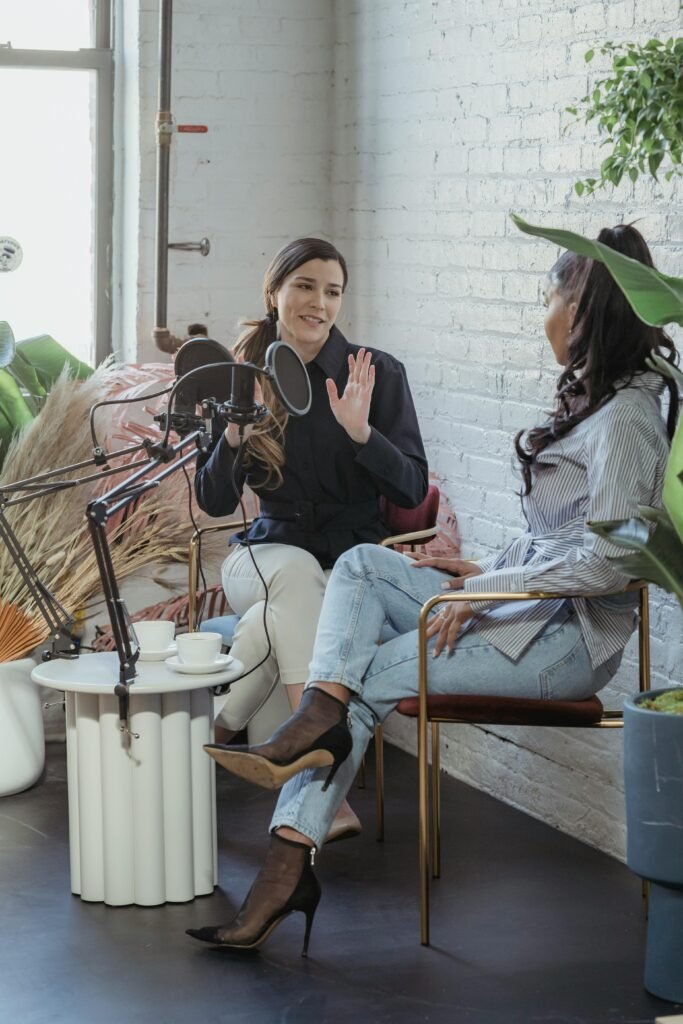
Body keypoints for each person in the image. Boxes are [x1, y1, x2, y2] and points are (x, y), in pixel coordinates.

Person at [186, 224, 680, 955]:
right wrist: (486, 575)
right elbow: (560, 532)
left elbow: (610, 563)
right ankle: (306, 743)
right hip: (522, 609)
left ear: (580, 307)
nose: (539, 311)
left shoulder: (629, 415)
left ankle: (284, 866)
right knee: (358, 566)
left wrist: (488, 596)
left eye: (546, 296)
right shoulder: (601, 400)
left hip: (561, 641)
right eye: (305, 288)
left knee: (361, 681)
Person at [193, 237, 428, 844]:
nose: (319, 304)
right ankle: (322, 753)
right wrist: (236, 435)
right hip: (262, 556)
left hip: (350, 571)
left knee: (284, 618)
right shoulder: (239, 378)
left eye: (332, 292)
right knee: (295, 576)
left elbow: (410, 491)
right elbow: (214, 502)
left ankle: (224, 722)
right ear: (274, 292)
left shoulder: (376, 374)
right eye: (304, 287)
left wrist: (362, 434)